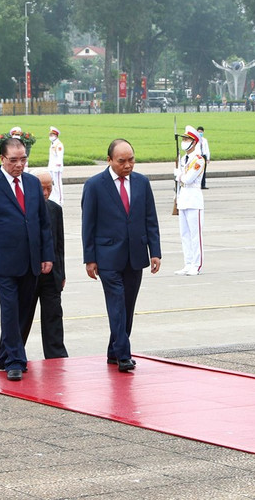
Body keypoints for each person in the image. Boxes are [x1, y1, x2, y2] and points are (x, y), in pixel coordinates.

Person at [0, 138, 54, 381]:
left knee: (23, 311)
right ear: (2, 159)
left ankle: (4, 355)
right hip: (1, 260)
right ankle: (16, 360)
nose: (19, 165)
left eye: (23, 160)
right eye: (13, 160)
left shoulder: (32, 183)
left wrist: (47, 255)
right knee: (9, 308)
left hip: (30, 259)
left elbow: (42, 223)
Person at [81, 139, 161, 372]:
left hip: (135, 254)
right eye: (122, 161)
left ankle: (114, 350)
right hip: (107, 256)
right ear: (109, 161)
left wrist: (155, 251)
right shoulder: (95, 185)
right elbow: (89, 224)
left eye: (131, 160)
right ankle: (124, 355)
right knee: (116, 304)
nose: (128, 165)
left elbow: (150, 219)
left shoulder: (142, 182)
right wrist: (90, 258)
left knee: (127, 306)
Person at [25, 170, 68, 359]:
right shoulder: (23, 209)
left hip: (52, 274)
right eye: (41, 188)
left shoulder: (55, 209)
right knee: (23, 317)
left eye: (49, 188)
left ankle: (56, 354)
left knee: (53, 315)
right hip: (29, 272)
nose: (45, 192)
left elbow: (59, 244)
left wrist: (62, 273)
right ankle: (14, 354)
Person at [173, 126, 205, 276]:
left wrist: (178, 175)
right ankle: (188, 263)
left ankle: (196, 265)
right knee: (184, 234)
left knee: (195, 234)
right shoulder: (183, 159)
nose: (184, 142)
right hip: (183, 198)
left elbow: (188, 178)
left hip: (193, 199)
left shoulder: (198, 160)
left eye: (186, 139)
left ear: (194, 142)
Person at [47, 127, 64, 205]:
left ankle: (60, 200)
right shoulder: (53, 144)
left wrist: (57, 166)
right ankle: (54, 198)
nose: (51, 136)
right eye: (50, 134)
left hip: (56, 168)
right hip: (51, 167)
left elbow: (60, 157)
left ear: (56, 135)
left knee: (58, 184)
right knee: (52, 184)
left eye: (52, 134)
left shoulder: (59, 144)